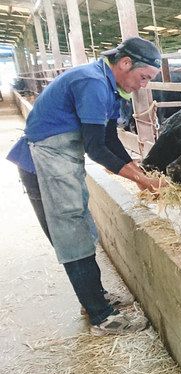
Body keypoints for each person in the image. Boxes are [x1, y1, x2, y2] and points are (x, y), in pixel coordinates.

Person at [7, 37, 166, 336]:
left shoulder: (106, 85)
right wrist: (141, 181)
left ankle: (94, 297)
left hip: (59, 161)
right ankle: (101, 317)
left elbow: (108, 138)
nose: (144, 86)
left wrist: (137, 169)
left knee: (80, 228)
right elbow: (95, 148)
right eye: (143, 77)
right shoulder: (92, 82)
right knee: (73, 234)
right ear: (125, 63)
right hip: (45, 164)